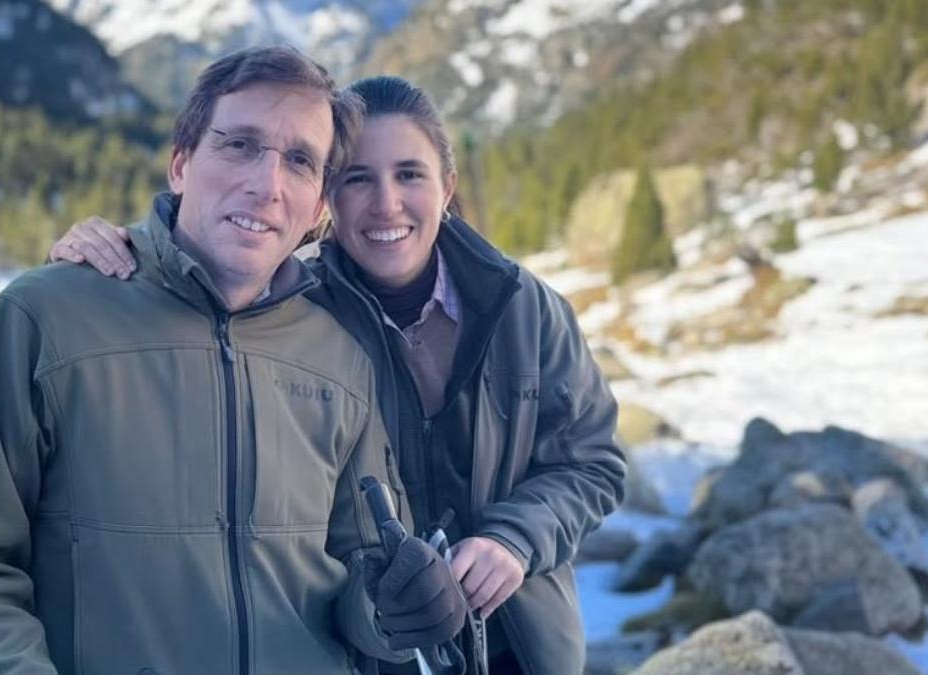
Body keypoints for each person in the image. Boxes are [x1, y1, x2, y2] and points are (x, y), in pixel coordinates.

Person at [0, 49, 469, 675]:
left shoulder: (340, 357)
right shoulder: (45, 319)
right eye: (240, 145)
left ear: (317, 210)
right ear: (181, 164)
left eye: (300, 161)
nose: (267, 184)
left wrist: (398, 610)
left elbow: (359, 585)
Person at [51, 74, 627, 675]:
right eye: (357, 178)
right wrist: (113, 258)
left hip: (517, 644)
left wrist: (517, 538)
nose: (386, 203)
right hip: (365, 650)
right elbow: (194, 297)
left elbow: (592, 463)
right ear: (326, 199)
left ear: (447, 187)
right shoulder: (291, 315)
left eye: (410, 174)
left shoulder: (524, 309)